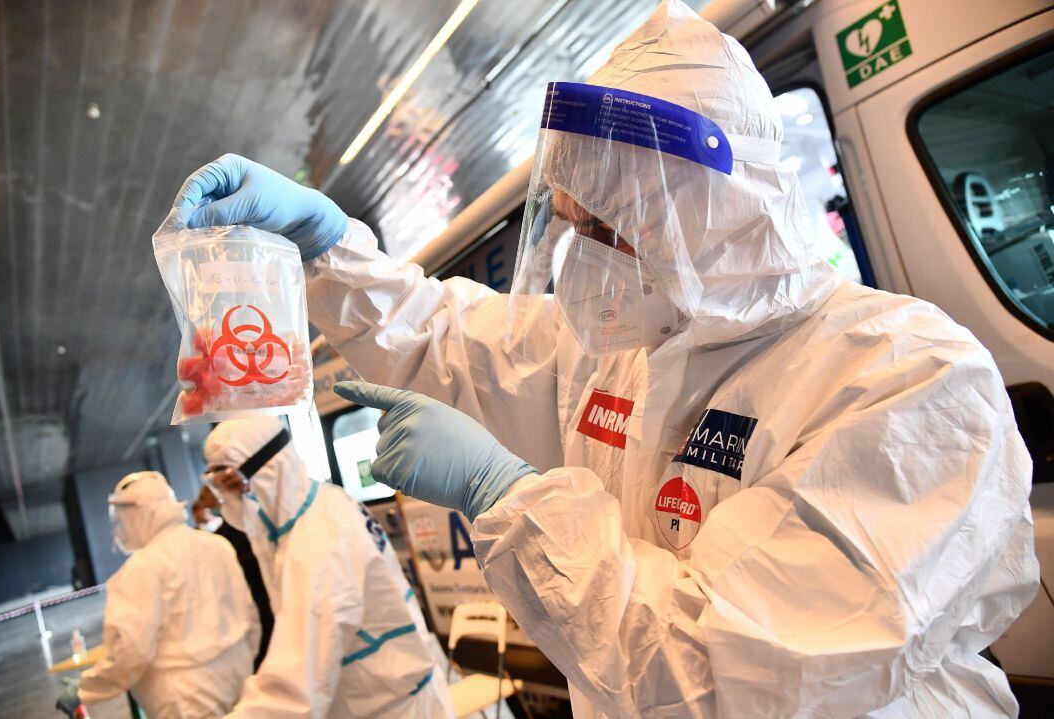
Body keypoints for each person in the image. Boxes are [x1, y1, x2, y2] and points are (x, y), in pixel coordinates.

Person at [162, 2, 1039, 716]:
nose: (581, 257)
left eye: (606, 227)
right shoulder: (631, 353)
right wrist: (326, 246)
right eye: (572, 223)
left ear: (710, 218)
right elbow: (451, 340)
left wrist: (506, 497)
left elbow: (720, 672)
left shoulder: (906, 380)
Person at [202, 416, 453, 718]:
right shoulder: (316, 509)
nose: (228, 500)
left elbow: (295, 685)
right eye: (217, 485)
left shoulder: (317, 539)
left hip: (388, 707)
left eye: (231, 483)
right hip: (379, 695)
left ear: (269, 473)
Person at [56, 472, 259, 718]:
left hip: (187, 701)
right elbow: (250, 617)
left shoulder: (142, 568)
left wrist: (86, 689)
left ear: (141, 514)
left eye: (123, 517)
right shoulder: (217, 546)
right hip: (239, 679)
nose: (121, 527)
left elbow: (130, 652)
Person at [192, 486, 275, 669]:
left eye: (207, 504)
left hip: (259, 588)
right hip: (249, 591)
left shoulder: (240, 525)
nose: (207, 510)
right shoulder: (221, 533)